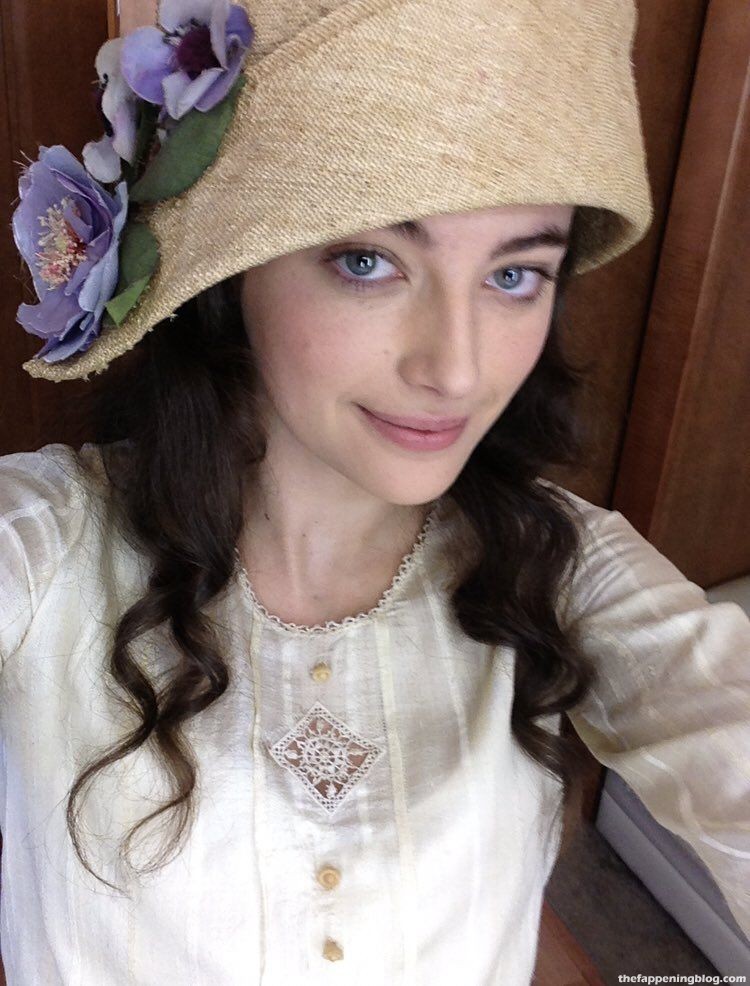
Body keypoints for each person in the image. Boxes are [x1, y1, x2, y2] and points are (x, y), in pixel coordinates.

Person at [1, 0, 748, 982]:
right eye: (368, 261)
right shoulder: (44, 548)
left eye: (516, 274)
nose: (458, 368)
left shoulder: (563, 564)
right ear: (231, 270)